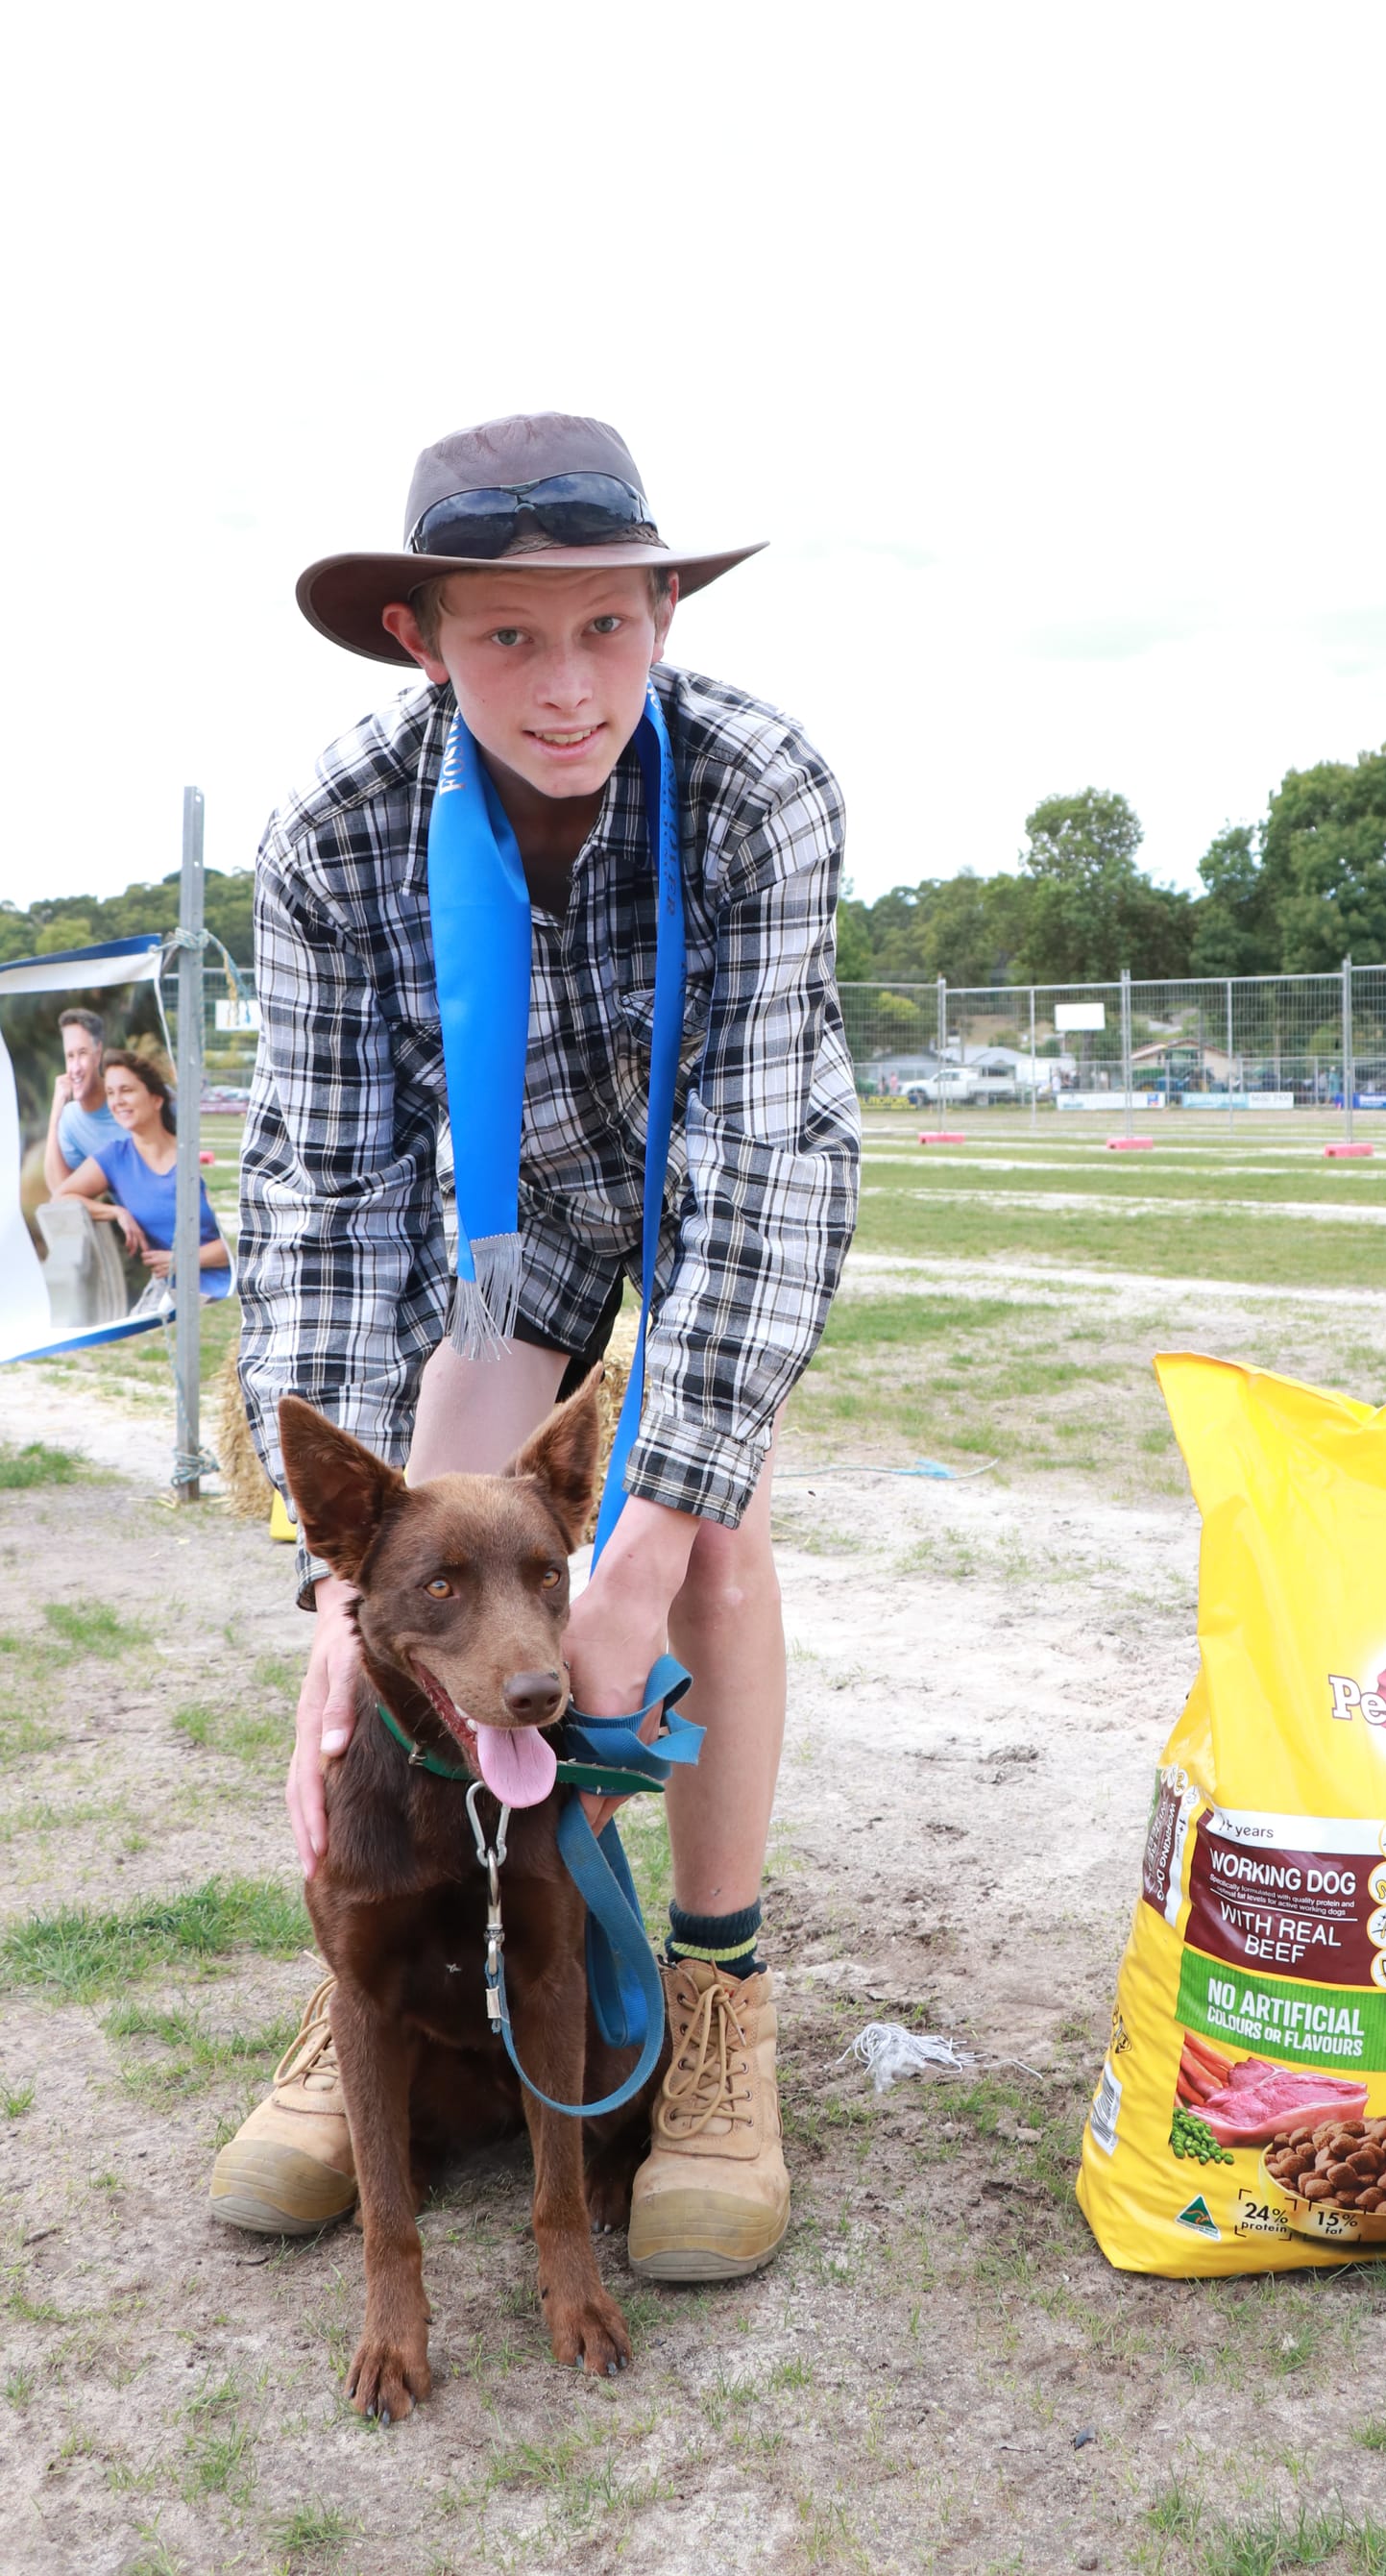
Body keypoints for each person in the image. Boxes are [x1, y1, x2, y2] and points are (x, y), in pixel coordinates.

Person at [211, 412, 860, 2283]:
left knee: (706, 1545)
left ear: (663, 606)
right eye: (507, 636)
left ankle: (720, 2013)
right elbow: (328, 1194)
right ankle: (380, 1985)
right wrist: (329, 1596)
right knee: (418, 1567)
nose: (565, 686)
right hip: (494, 1241)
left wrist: (648, 1543)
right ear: (422, 637)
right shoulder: (340, 829)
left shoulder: (755, 786)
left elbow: (763, 1166)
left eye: (604, 625)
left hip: (706, 1196)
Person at [54, 1048, 231, 1295]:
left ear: (156, 1099)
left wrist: (183, 1259)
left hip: (233, 1293)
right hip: (170, 1303)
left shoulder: (196, 1153)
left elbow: (245, 1240)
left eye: (126, 1090)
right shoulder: (114, 1158)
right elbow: (61, 1198)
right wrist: (115, 1211)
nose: (117, 1101)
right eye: (110, 1093)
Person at [42, 1010, 117, 1193]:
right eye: (70, 1056)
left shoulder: (124, 1095)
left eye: (82, 1053)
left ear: (97, 1055)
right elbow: (61, 1192)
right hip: (128, 1219)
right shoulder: (69, 1119)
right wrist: (55, 1113)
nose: (75, 1068)